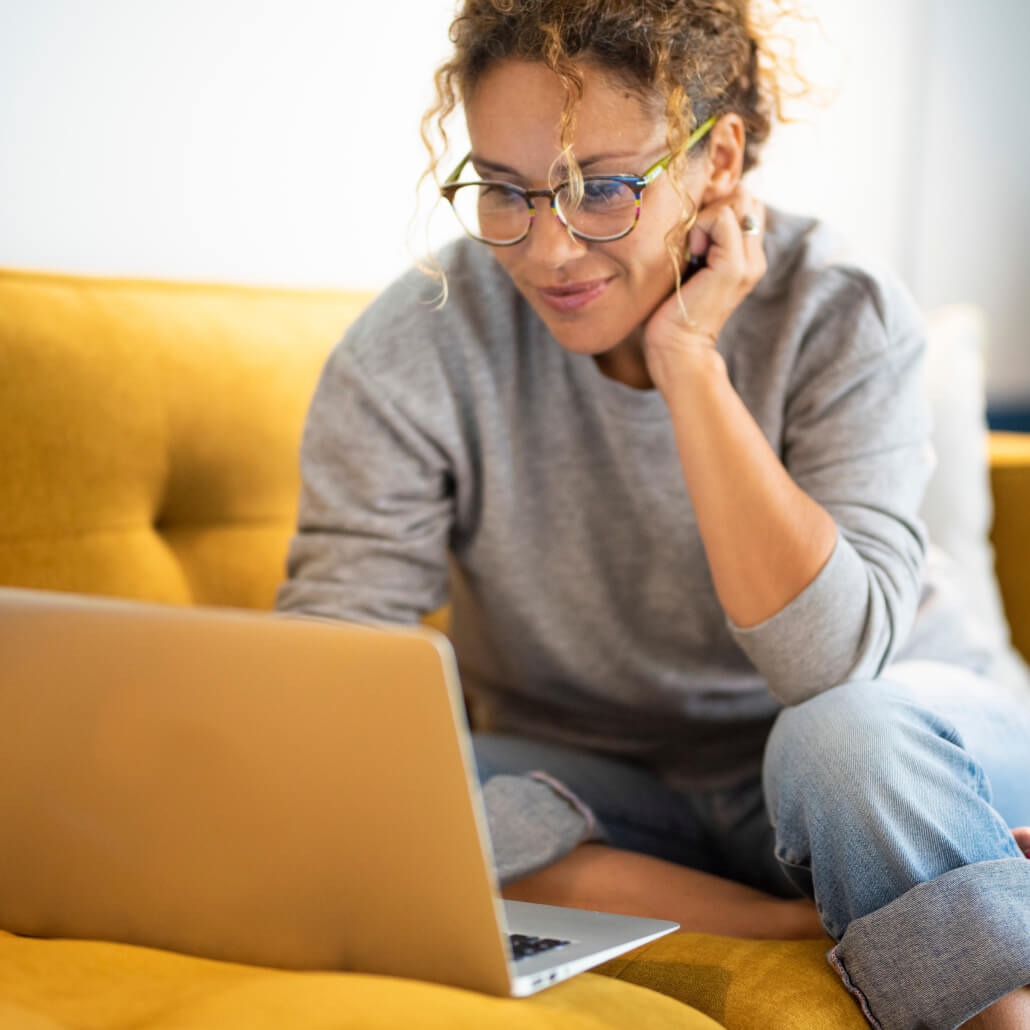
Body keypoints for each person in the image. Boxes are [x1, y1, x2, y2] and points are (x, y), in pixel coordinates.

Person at [276, 2, 1030, 1027]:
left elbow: (830, 666)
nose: (547, 250)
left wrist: (689, 366)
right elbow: (331, 670)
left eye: (605, 189)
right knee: (375, 787)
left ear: (715, 159)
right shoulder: (415, 346)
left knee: (840, 740)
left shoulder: (838, 308)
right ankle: (789, 913)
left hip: (886, 750)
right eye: (503, 190)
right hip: (615, 793)